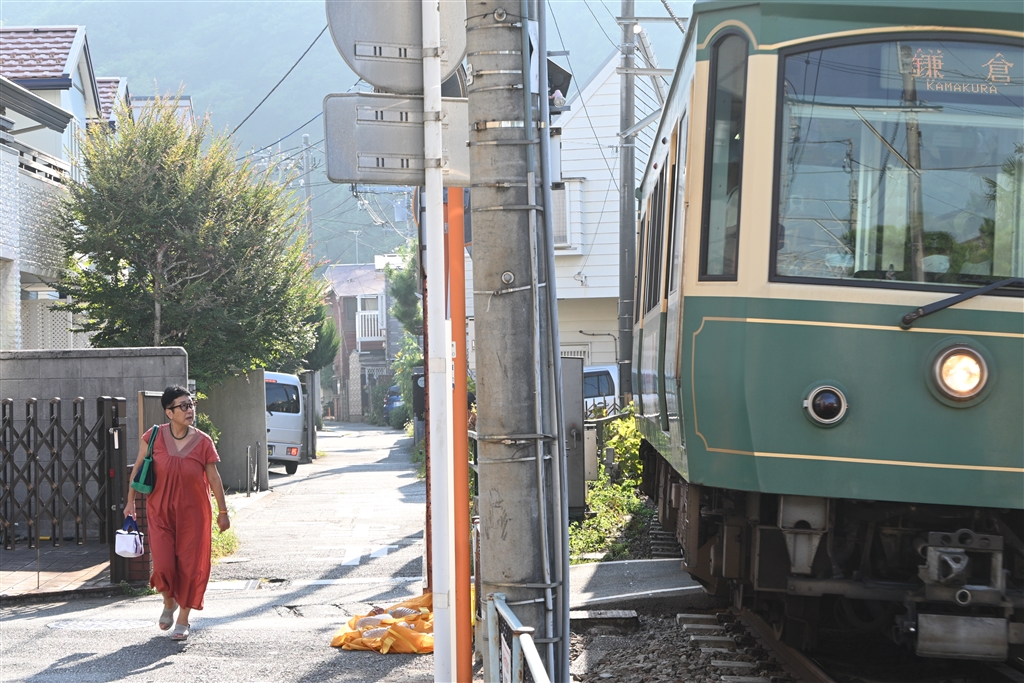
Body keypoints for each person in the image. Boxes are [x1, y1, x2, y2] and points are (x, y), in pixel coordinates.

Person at [125, 386, 230, 641]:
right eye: (183, 406)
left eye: (191, 404)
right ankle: (168, 602)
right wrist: (130, 502)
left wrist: (223, 511)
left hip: (194, 515)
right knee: (163, 564)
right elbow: (138, 468)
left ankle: (183, 619)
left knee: (190, 567)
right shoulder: (153, 437)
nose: (190, 409)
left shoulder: (203, 441)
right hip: (160, 511)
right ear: (169, 412)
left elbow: (214, 478)